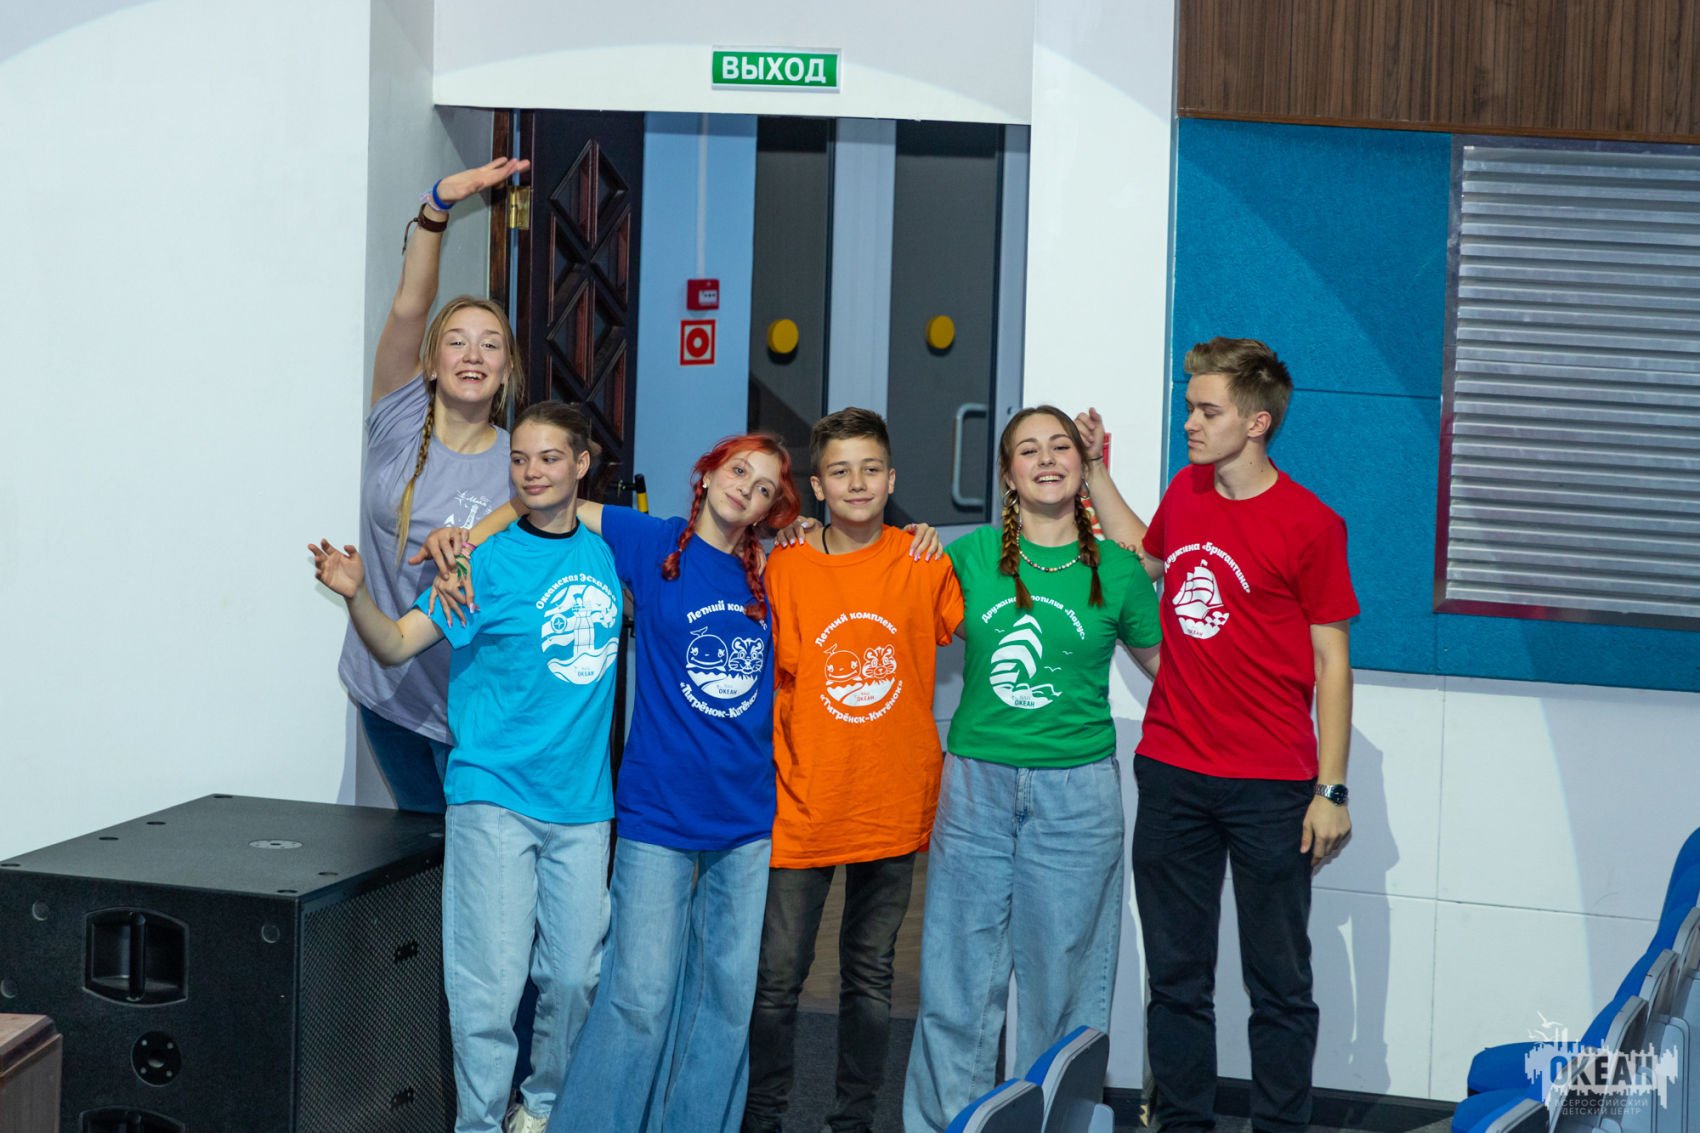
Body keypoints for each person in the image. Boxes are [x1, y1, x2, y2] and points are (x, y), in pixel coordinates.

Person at [433, 433, 802, 1133]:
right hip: (657, 813)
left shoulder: (777, 569)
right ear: (707, 473)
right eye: (737, 470)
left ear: (768, 509)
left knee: (725, 1003)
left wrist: (805, 531)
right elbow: (551, 501)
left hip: (747, 819)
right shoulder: (649, 539)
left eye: (763, 488)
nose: (744, 489)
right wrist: (464, 542)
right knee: (637, 997)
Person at [312, 402, 621, 1133]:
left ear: (582, 464)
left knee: (575, 977)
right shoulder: (479, 563)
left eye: (550, 457)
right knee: (489, 988)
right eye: (520, 458)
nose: (532, 472)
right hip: (493, 798)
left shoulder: (612, 553)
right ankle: (479, 1124)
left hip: (582, 806)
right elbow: (395, 645)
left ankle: (540, 1107)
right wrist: (357, 595)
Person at [1086, 337, 1358, 1133]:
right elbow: (1146, 553)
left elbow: (1333, 661)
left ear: (1257, 421)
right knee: (1176, 979)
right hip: (1172, 772)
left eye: (1207, 410)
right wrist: (1096, 471)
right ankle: (1182, 1125)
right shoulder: (1188, 490)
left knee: (1279, 983)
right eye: (1190, 407)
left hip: (1272, 786)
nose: (1190, 422)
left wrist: (1331, 788)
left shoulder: (1311, 523)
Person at [902, 407, 1162, 1133]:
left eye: (1060, 447)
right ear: (1008, 475)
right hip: (975, 789)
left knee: (1063, 988)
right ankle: (943, 1126)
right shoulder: (969, 556)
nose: (1046, 459)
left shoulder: (1117, 569)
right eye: (1028, 450)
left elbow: (1172, 671)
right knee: (956, 982)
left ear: (1081, 463)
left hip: (1077, 796)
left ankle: (1053, 1126)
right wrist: (813, 534)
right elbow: (883, 600)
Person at [742, 408, 964, 1133]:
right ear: (817, 486)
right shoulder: (784, 565)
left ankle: (853, 1121)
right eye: (840, 471)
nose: (857, 482)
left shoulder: (924, 561)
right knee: (777, 978)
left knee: (870, 976)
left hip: (890, 800)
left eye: (871, 469)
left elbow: (990, 615)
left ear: (892, 479)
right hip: (802, 800)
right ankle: (762, 1118)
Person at [337, 156, 530, 813]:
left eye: (490, 345)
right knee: (411, 854)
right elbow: (409, 304)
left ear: (506, 370)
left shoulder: (521, 465)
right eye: (457, 342)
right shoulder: (398, 416)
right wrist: (437, 207)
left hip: (470, 707)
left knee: (464, 858)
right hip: (385, 690)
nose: (473, 355)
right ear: (431, 361)